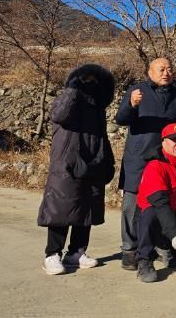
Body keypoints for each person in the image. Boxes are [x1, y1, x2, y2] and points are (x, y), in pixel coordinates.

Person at [38, 64, 116, 275]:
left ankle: (76, 252)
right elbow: (59, 116)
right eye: (86, 80)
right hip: (67, 164)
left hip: (93, 163)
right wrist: (73, 88)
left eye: (95, 81)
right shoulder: (68, 101)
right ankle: (52, 254)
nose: (91, 84)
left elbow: (103, 137)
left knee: (86, 208)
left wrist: (108, 161)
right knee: (61, 206)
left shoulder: (97, 108)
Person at [115, 57, 176, 270]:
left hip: (166, 158)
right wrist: (131, 105)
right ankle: (129, 250)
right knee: (132, 204)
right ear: (150, 72)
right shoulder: (137, 91)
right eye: (161, 69)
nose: (166, 73)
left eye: (169, 69)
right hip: (139, 156)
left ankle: (161, 246)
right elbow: (121, 119)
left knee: (167, 202)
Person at [135, 123, 176, 283]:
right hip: (157, 219)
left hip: (175, 215)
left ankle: (169, 250)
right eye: (175, 140)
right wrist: (175, 234)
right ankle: (144, 259)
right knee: (150, 213)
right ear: (163, 142)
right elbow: (159, 202)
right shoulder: (155, 166)